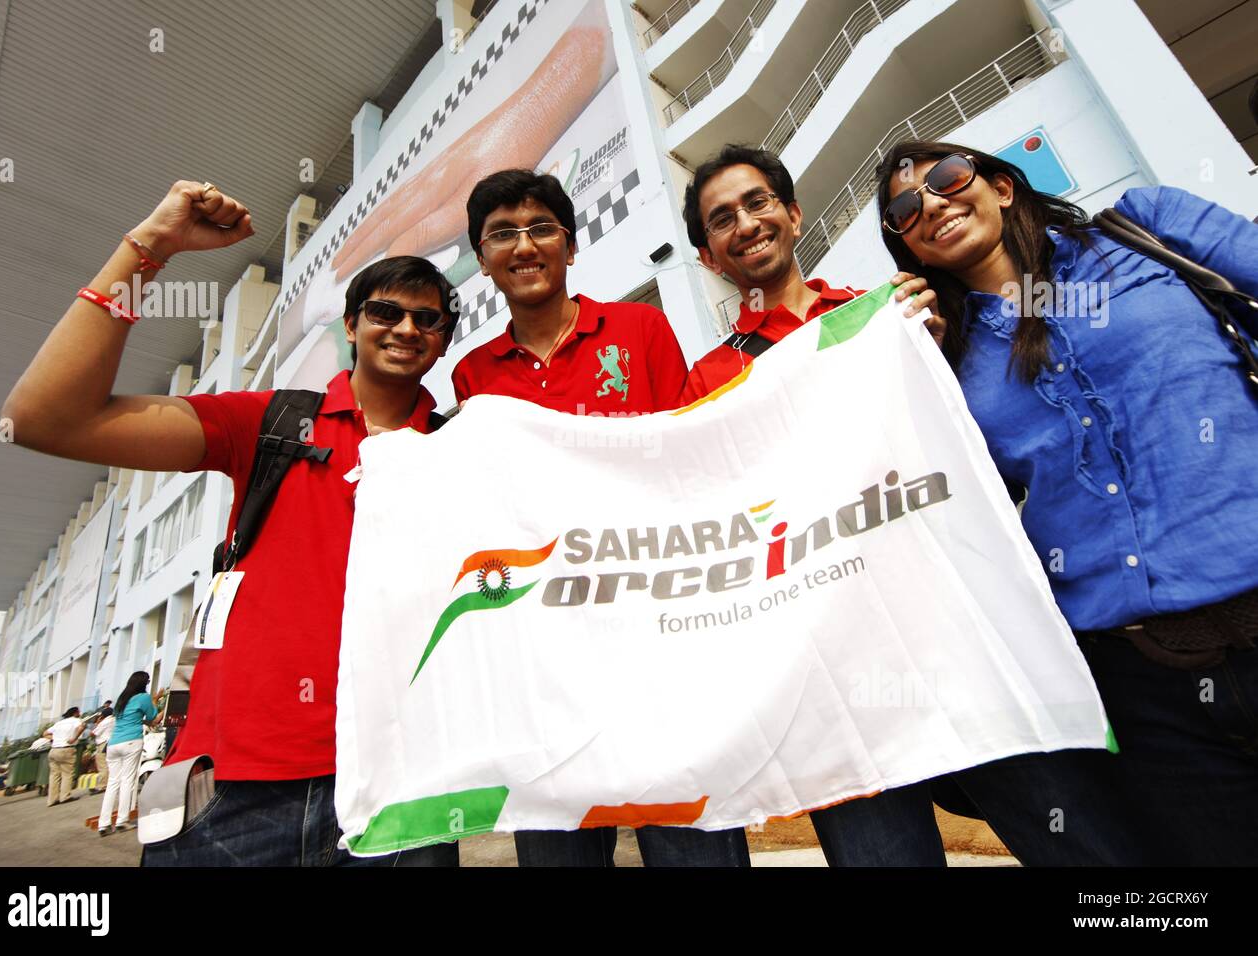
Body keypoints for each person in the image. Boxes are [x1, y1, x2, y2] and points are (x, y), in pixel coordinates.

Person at [679, 143, 1146, 866]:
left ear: (793, 214)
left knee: (1088, 846)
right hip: (837, 678)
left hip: (958, 635)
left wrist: (928, 357)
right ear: (710, 257)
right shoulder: (707, 381)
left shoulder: (901, 309)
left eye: (757, 202)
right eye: (721, 220)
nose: (744, 223)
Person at [2, 180, 460, 866]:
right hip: (234, 796)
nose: (406, 328)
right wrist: (150, 247)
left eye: (428, 320)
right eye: (386, 310)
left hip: (402, 788)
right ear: (351, 324)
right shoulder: (271, 423)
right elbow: (44, 419)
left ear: (446, 340)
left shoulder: (460, 450)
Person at [874, 139, 1258, 865]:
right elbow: (951, 515)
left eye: (948, 178)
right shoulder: (943, 358)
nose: (930, 204)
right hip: (1145, 685)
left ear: (1003, 188)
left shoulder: (1148, 226)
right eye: (903, 210)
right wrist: (910, 374)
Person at [451, 168, 748, 867]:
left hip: (659, 654)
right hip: (545, 675)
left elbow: (688, 462)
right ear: (484, 258)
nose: (524, 246)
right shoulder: (472, 375)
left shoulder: (640, 329)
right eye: (502, 235)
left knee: (695, 854)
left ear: (570, 247)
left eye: (541, 229)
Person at [98, 672, 156, 835]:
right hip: (131, 741)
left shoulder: (122, 699)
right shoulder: (144, 697)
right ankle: (122, 821)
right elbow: (153, 718)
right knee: (127, 781)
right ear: (145, 682)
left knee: (113, 783)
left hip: (113, 744)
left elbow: (126, 718)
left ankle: (104, 824)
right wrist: (155, 700)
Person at [44, 707, 84, 806]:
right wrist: (74, 738)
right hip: (66, 749)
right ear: (75, 713)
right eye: (79, 712)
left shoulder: (59, 723)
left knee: (54, 775)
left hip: (53, 750)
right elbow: (81, 727)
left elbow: (45, 733)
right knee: (67, 773)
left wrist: (54, 739)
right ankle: (65, 796)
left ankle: (52, 800)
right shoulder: (76, 720)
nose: (80, 713)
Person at [89, 704, 115, 794]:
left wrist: (97, 723)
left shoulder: (104, 722)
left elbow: (92, 734)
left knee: (102, 765)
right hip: (112, 743)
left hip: (103, 744)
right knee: (110, 765)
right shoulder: (115, 720)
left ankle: (102, 785)